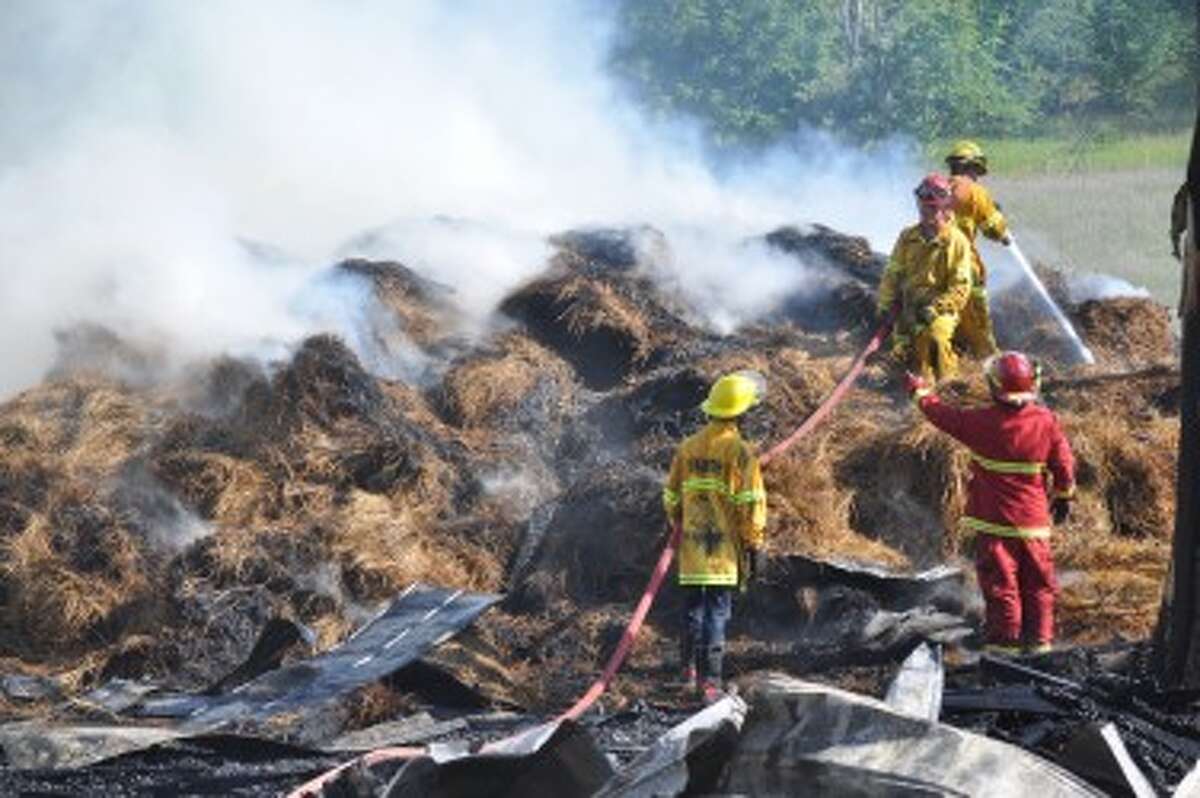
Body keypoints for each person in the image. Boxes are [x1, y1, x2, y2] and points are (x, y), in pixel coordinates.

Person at [906, 351, 1076, 655]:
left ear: (993, 386)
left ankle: (1005, 644)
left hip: (994, 521)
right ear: (1033, 384)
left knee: (1002, 584)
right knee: (1039, 582)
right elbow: (1063, 461)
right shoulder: (1048, 422)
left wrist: (920, 392)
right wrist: (1064, 494)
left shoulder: (980, 422)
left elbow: (942, 416)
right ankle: (1040, 643)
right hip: (1034, 521)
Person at [662, 371, 767, 702]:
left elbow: (671, 496)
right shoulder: (740, 453)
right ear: (742, 414)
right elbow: (750, 505)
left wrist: (679, 520)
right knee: (717, 612)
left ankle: (687, 673)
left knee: (692, 609)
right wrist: (754, 544)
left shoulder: (688, 447)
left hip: (692, 548)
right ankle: (711, 682)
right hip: (722, 553)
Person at [877, 173, 974, 382]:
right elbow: (893, 273)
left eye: (932, 208)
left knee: (936, 337)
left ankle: (946, 386)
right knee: (901, 348)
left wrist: (936, 309)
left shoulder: (957, 242)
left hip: (941, 308)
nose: (926, 213)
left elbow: (960, 287)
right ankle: (912, 388)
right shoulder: (907, 237)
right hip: (909, 305)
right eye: (923, 207)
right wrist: (885, 304)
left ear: (945, 207)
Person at [945, 140, 1012, 358]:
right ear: (970, 167)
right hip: (963, 266)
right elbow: (994, 230)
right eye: (976, 171)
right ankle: (989, 363)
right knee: (978, 323)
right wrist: (999, 220)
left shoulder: (938, 188)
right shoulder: (975, 191)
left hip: (931, 264)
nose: (977, 177)